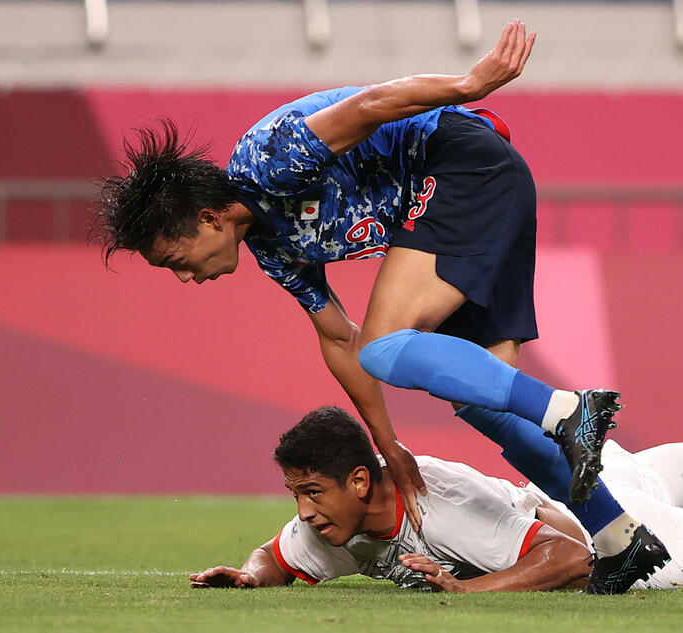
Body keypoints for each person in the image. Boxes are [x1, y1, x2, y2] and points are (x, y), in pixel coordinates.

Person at [94, 20, 669, 591]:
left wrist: (468, 85)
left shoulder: (265, 162)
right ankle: (617, 537)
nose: (185, 277)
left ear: (208, 218)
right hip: (480, 193)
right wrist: (388, 444)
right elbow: (337, 339)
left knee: (387, 345)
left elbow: (371, 104)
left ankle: (569, 409)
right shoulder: (271, 248)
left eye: (176, 260)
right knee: (489, 405)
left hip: (461, 167)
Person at [189, 407, 682, 593]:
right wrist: (249, 574)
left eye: (312, 493)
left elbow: (572, 557)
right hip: (572, 490)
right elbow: (274, 555)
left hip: (613, 517)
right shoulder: (335, 525)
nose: (303, 512)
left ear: (359, 481)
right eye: (297, 494)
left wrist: (468, 590)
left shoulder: (440, 507)